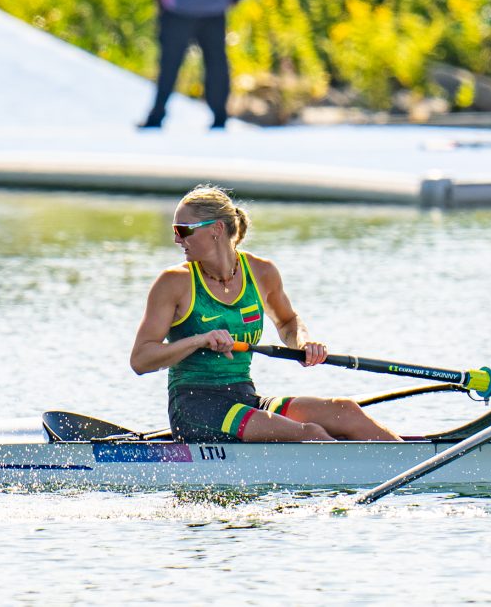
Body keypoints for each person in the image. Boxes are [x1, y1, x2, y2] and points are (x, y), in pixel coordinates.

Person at [130, 184, 401, 442]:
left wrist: (303, 343)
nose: (176, 238)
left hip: (245, 398)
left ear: (216, 229)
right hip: (196, 407)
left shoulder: (261, 272)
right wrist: (198, 340)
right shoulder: (173, 282)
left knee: (345, 411)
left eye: (183, 229)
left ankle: (419, 465)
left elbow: (288, 322)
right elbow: (141, 360)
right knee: (310, 434)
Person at [139, 0, 245, 129]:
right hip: (214, 3)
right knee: (216, 62)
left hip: (180, 5)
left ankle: (157, 115)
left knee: (169, 64)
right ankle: (220, 116)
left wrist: (161, 0)